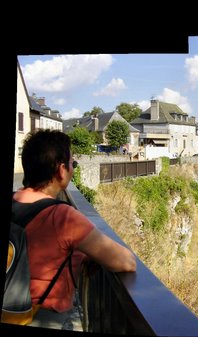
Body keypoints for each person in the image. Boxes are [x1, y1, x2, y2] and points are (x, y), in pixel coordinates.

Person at [11, 130, 136, 330]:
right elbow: (126, 262)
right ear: (61, 170)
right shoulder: (63, 218)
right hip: (43, 316)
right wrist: (87, 252)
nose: (72, 169)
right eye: (72, 164)